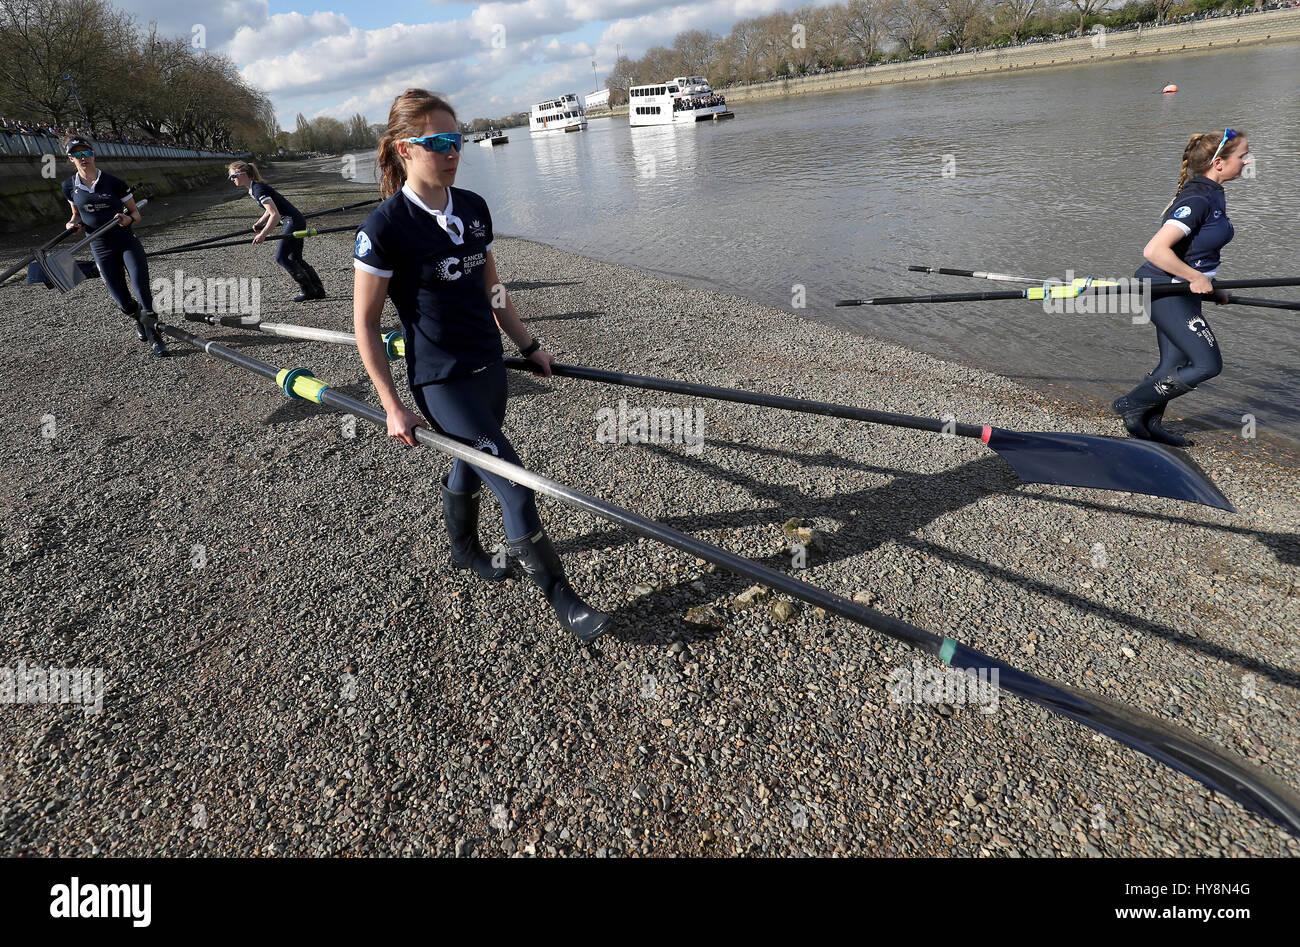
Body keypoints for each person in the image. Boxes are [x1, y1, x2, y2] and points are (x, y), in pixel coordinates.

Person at [352, 89, 611, 644]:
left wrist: (527, 344)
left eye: (458, 140)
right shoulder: (384, 229)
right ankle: (564, 601)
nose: (453, 152)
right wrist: (392, 405)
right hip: (441, 383)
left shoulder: (472, 207)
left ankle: (464, 550)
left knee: (473, 462)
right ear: (404, 148)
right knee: (517, 486)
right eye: (440, 142)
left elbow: (492, 289)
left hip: (490, 369)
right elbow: (366, 326)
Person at [1112, 128, 1251, 446]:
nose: (1247, 161)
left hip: (1182, 290)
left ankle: (1147, 423)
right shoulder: (1198, 198)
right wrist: (1196, 278)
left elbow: (1197, 253)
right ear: (1218, 163)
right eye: (1242, 155)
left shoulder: (1213, 191)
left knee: (1172, 365)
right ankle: (1132, 404)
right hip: (1164, 289)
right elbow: (1154, 251)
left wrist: (1211, 287)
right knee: (1206, 364)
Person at [61, 135, 167, 357]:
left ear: (93, 154)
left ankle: (156, 337)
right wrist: (73, 224)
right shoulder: (69, 187)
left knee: (142, 290)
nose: (83, 158)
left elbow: (135, 213)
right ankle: (138, 317)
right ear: (70, 158)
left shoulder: (114, 182)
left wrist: (128, 219)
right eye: (77, 155)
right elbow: (76, 216)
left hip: (126, 242)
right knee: (123, 302)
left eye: (87, 153)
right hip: (100, 247)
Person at [226, 161, 325, 302]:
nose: (232, 179)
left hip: (292, 221)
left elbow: (275, 215)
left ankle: (308, 291)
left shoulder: (258, 189)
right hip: (294, 219)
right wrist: (260, 222)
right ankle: (318, 291)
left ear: (243, 174)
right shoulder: (254, 188)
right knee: (295, 258)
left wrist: (263, 234)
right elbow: (271, 210)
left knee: (281, 257)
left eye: (233, 176)